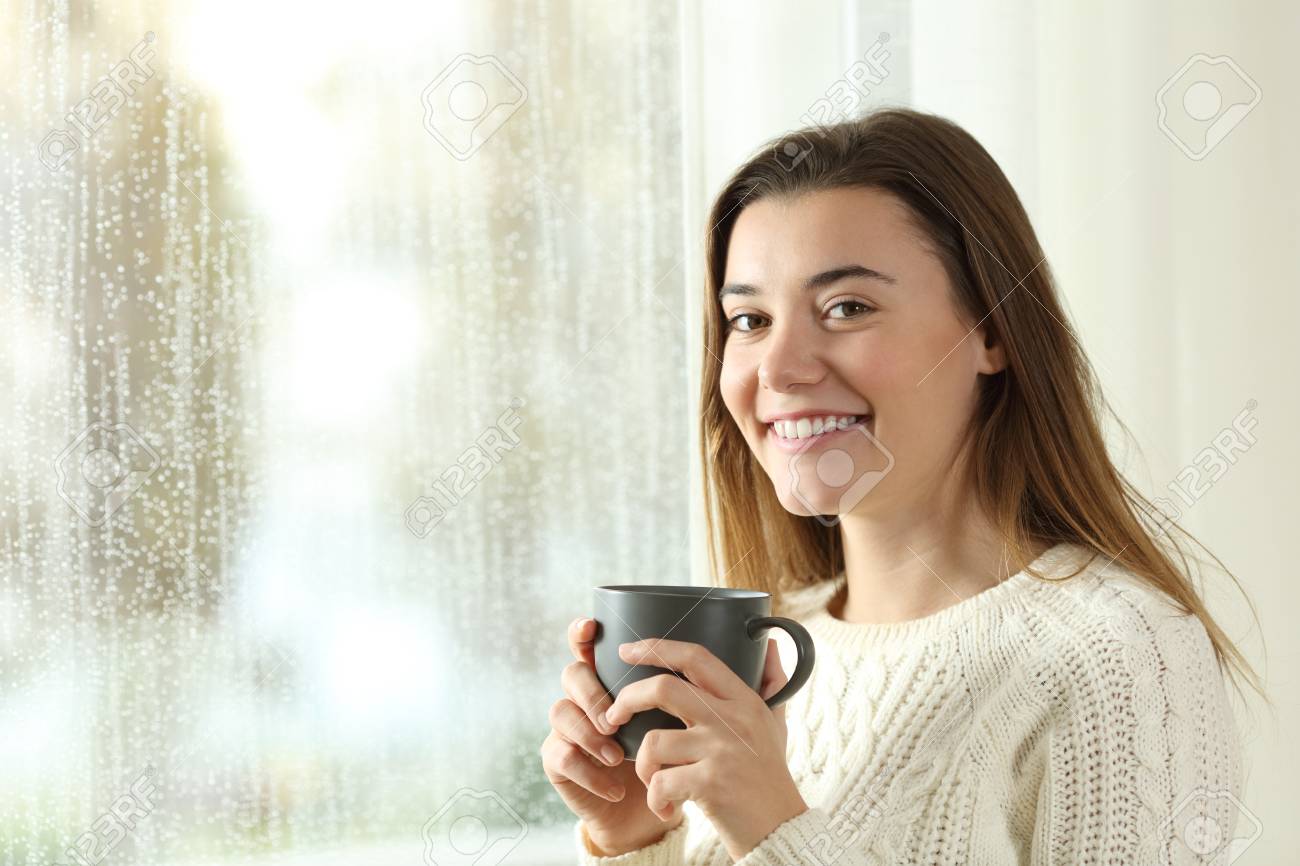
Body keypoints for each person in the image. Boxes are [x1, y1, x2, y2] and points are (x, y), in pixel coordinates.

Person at [540, 108, 1266, 865]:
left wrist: (776, 829)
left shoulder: (1121, 655)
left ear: (992, 332)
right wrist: (637, 836)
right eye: (749, 319)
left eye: (846, 308)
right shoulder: (777, 649)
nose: (779, 369)